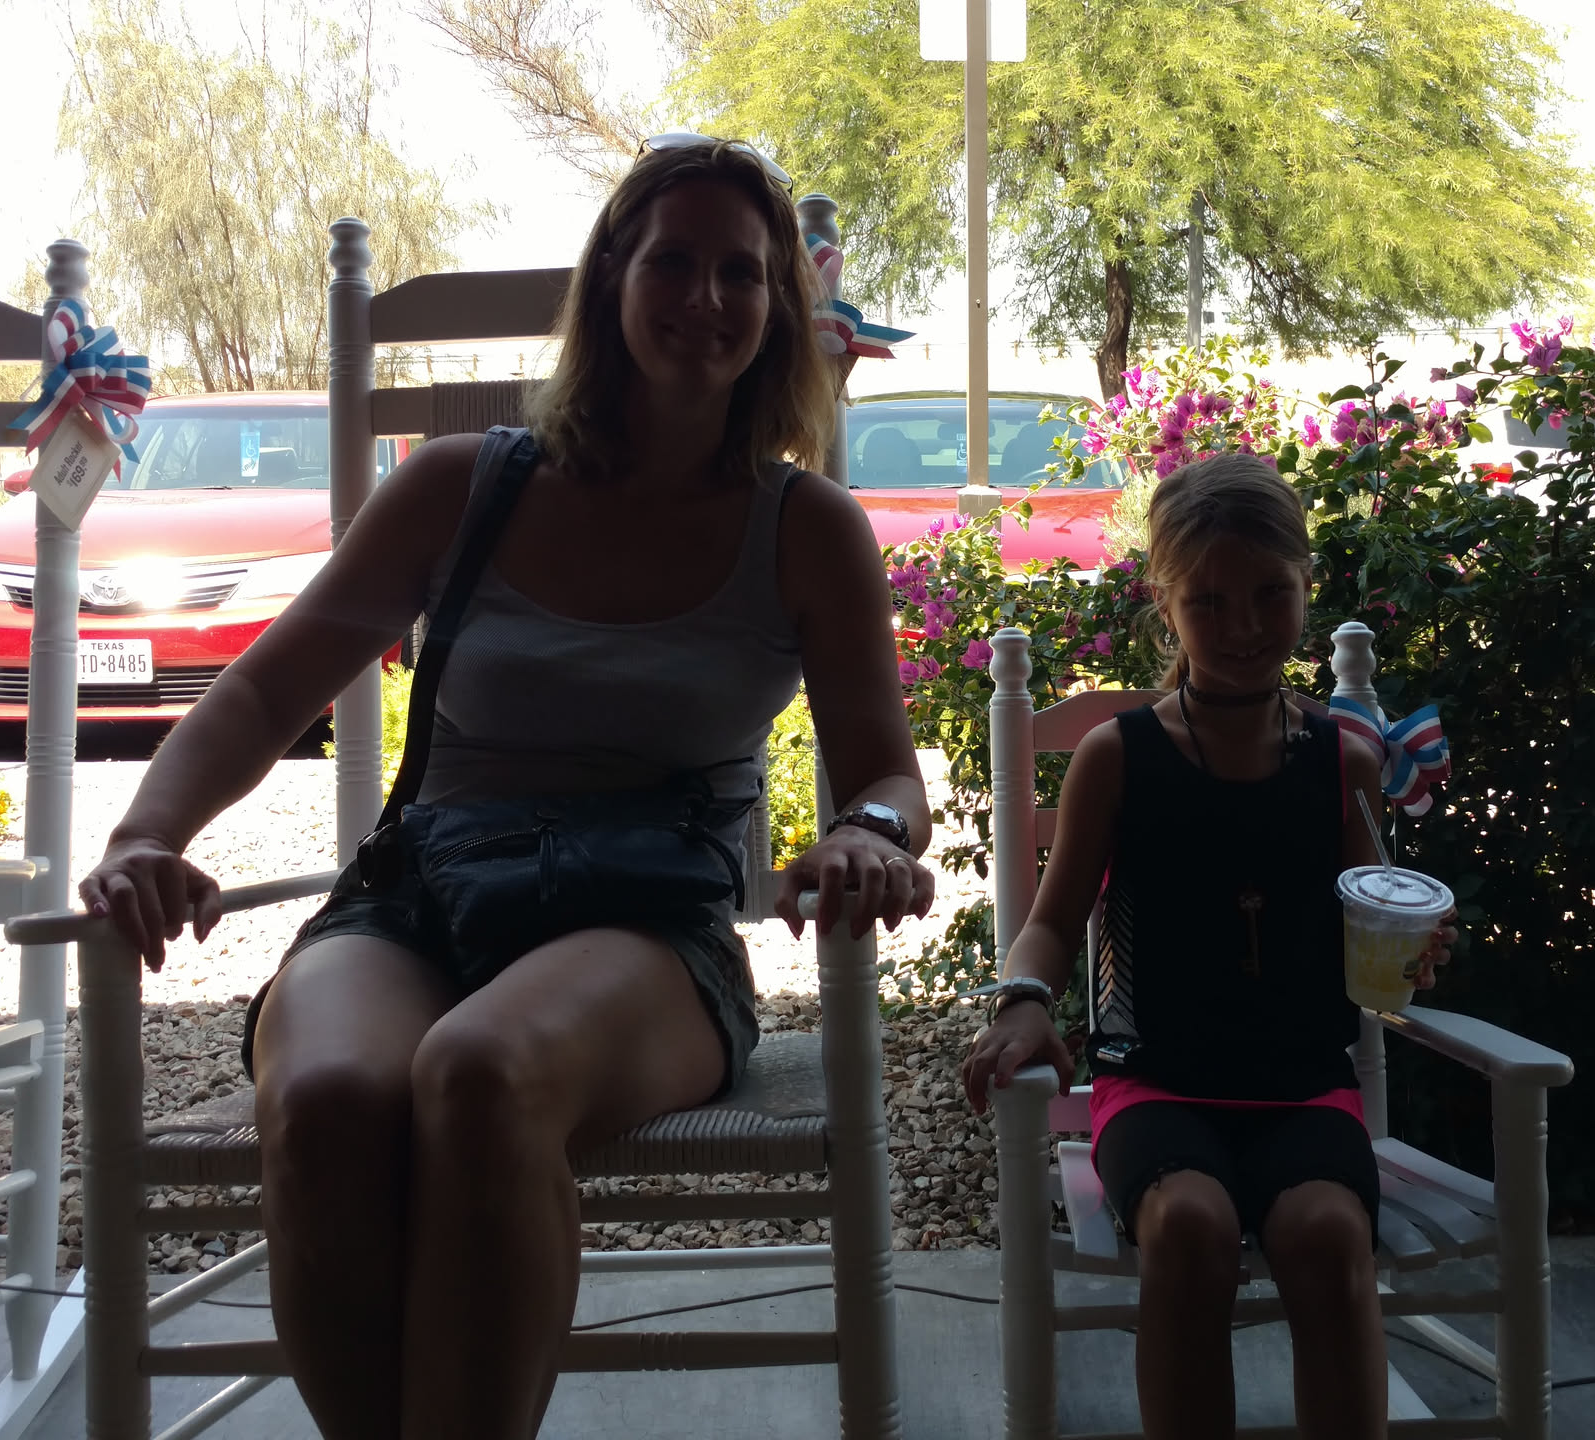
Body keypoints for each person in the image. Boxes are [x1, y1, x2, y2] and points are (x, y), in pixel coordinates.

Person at [78, 137, 936, 1440]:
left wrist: (868, 833)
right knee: (326, 1101)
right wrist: (147, 834)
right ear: (612, 280)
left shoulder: (804, 526)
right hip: (418, 896)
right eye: (673, 262)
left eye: (741, 273)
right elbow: (261, 693)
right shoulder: (460, 486)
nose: (706, 296)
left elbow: (885, 774)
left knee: (480, 1072)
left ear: (775, 309)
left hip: (645, 926)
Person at [958, 453, 1458, 1440]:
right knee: (1190, 1227)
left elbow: (1375, 925)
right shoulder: (1119, 756)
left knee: (1328, 1236)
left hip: (1304, 1087)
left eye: (1270, 594)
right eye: (1209, 601)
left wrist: (1410, 954)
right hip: (1157, 1084)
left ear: (1306, 585)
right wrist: (1021, 1000)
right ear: (1166, 603)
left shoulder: (1345, 763)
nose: (1242, 627)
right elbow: (1053, 920)